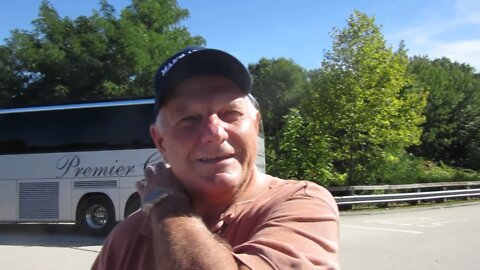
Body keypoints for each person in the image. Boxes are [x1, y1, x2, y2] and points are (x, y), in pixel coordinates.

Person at [91, 46, 340, 270]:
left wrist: (167, 207)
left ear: (255, 125)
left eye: (230, 113)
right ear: (160, 141)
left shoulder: (301, 203)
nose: (214, 133)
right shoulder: (127, 237)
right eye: (187, 119)